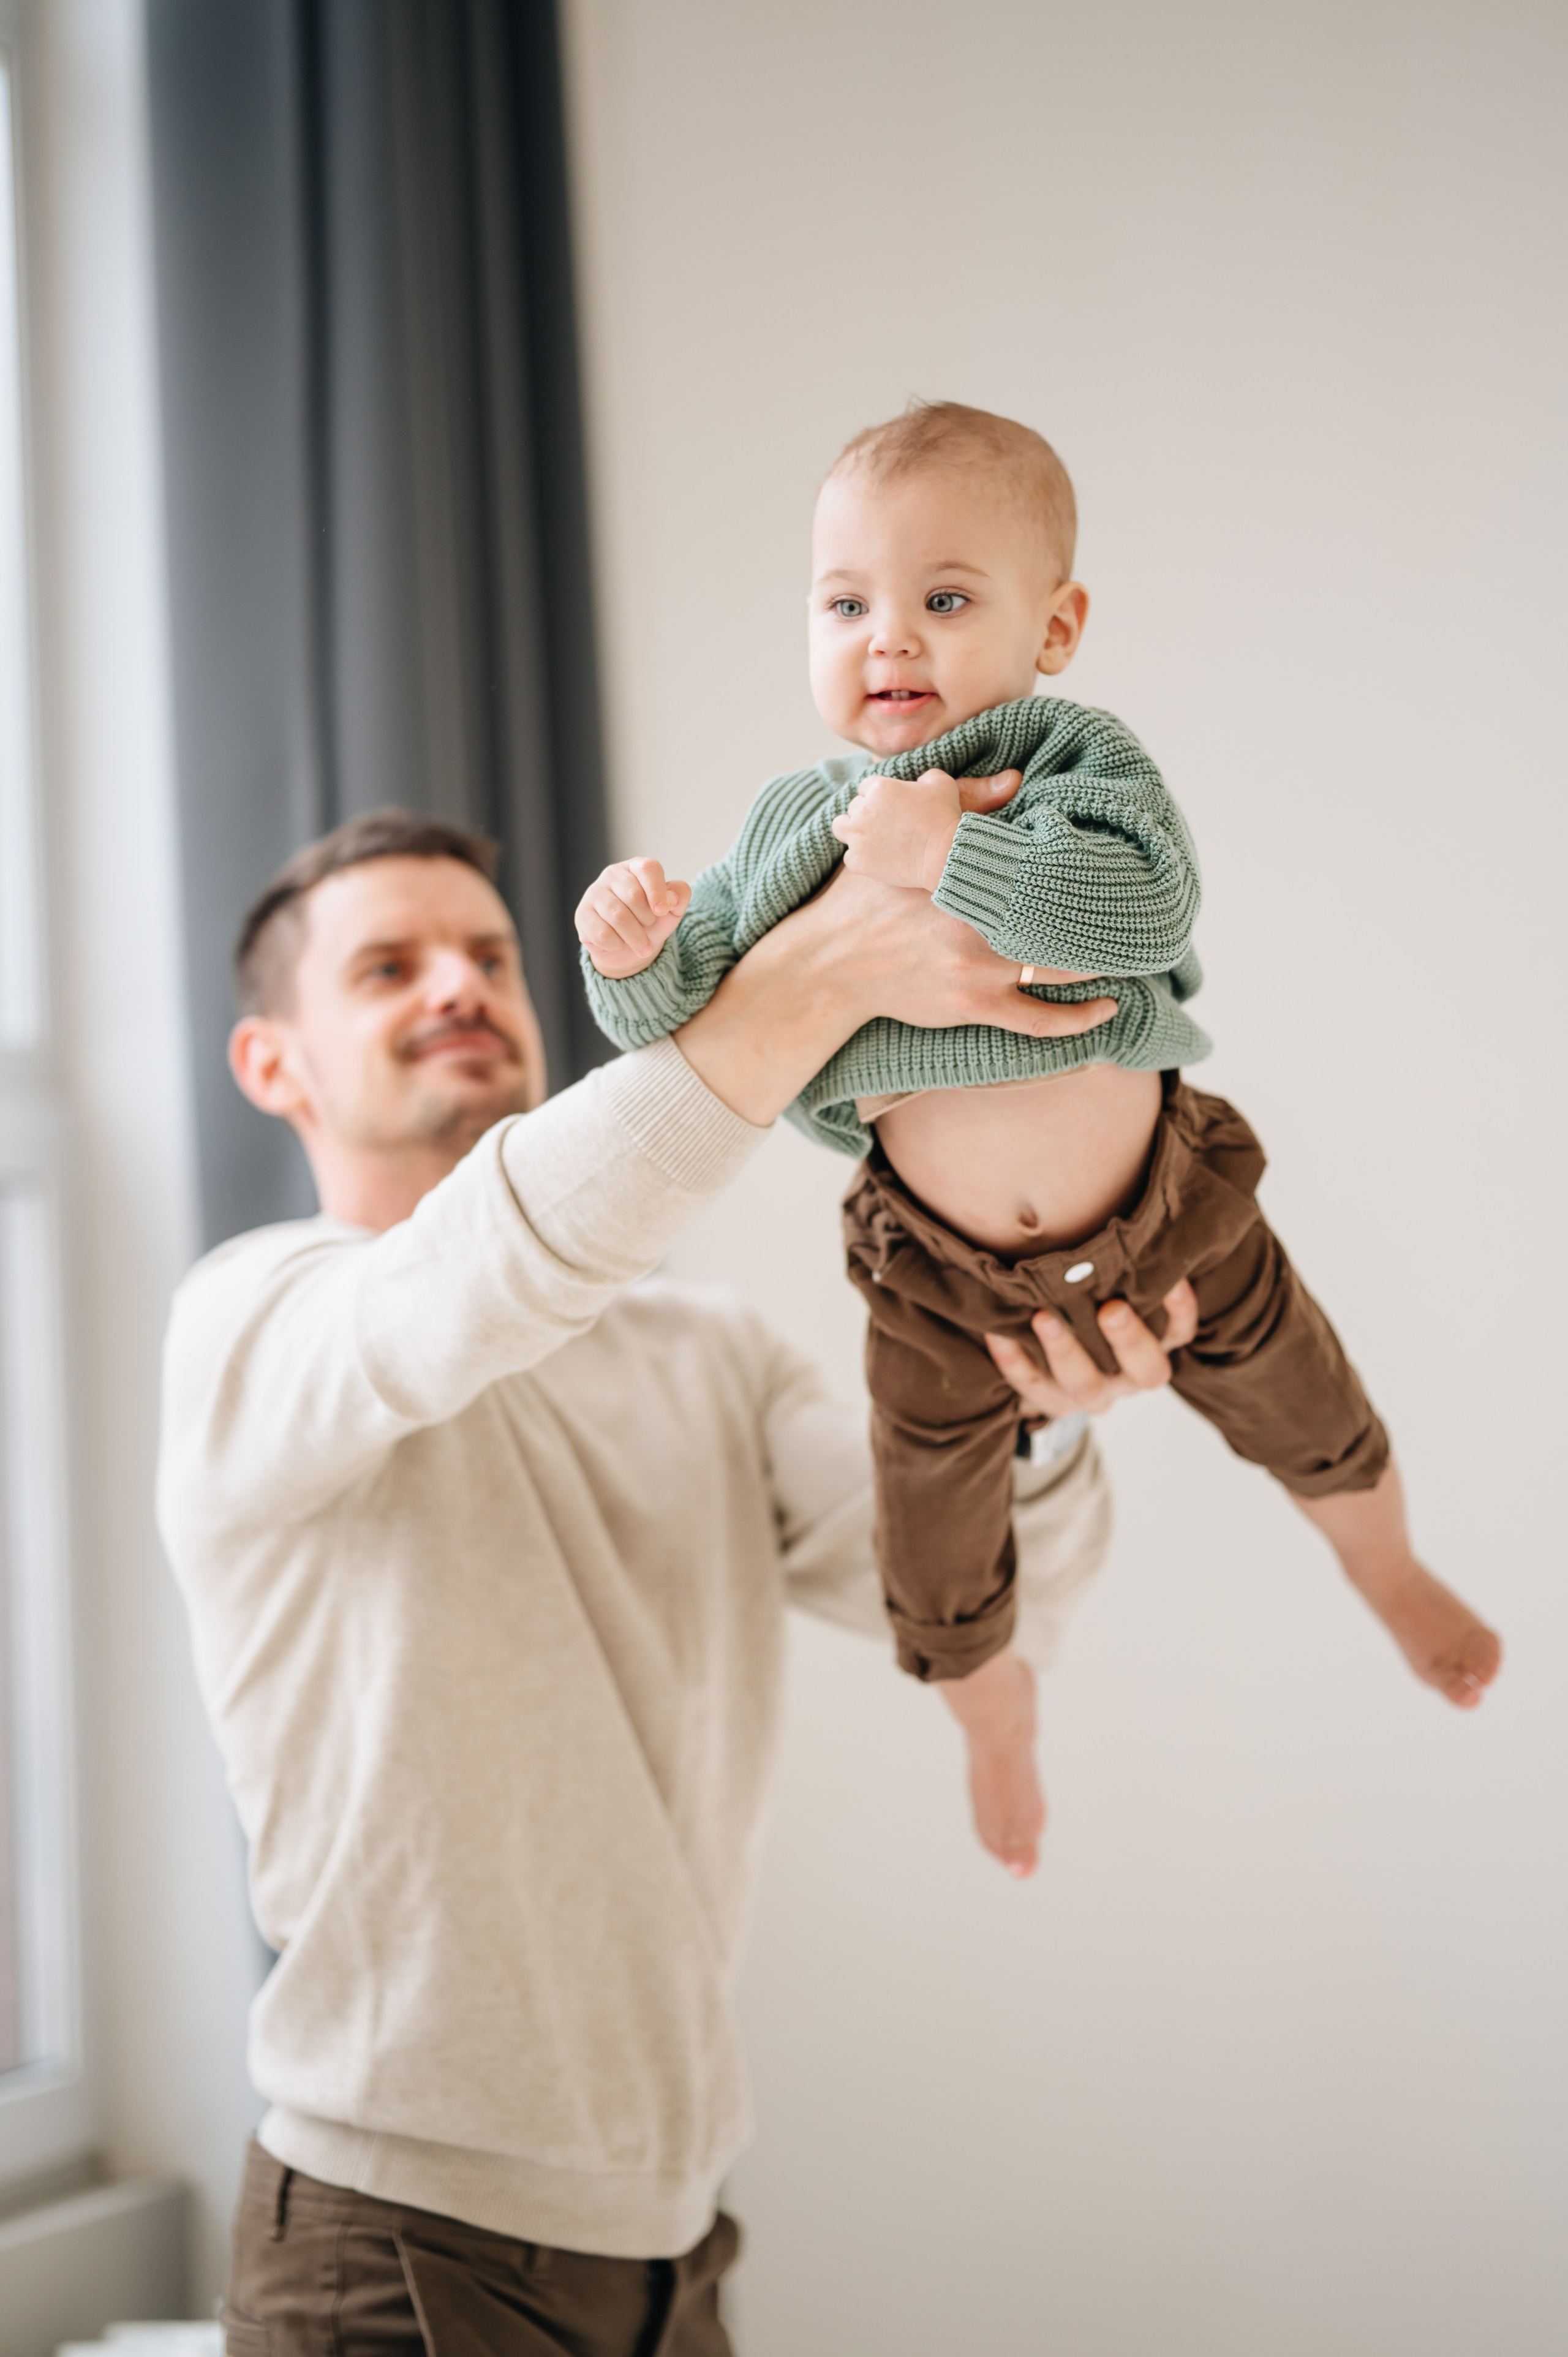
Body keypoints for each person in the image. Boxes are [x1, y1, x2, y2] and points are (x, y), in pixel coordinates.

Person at [157, 810, 1189, 2357]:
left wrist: (1031, 1412)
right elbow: (466, 1278)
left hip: (672, 2250)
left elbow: (998, 1592)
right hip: (392, 2250)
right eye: (388, 966)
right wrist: (786, 1001)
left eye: (489, 954)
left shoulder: (707, 1358)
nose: (459, 984)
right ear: (273, 1066)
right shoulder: (250, 1326)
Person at [575, 399, 1502, 1880]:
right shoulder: (789, 827)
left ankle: (1384, 1571)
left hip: (1167, 1211)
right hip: (936, 1281)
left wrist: (949, 849)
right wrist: (630, 955)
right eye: (846, 603)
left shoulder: (1071, 758)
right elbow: (684, 1021)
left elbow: (1139, 911)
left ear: (1052, 625)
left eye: (943, 599)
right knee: (928, 1541)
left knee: (1305, 1398)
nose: (890, 641)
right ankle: (989, 1709)